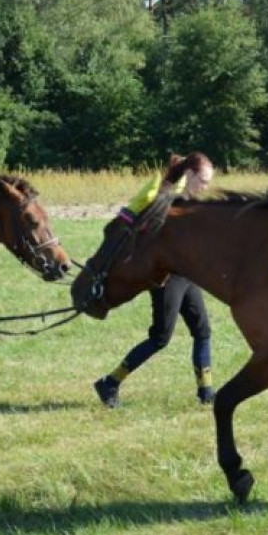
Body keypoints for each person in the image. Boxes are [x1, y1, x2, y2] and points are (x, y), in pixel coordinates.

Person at [94, 152, 216, 409]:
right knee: (160, 337)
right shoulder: (167, 195)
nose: (205, 188)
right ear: (190, 175)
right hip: (166, 277)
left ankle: (206, 392)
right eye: (203, 181)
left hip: (186, 275)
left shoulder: (188, 199)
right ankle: (110, 382)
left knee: (202, 330)